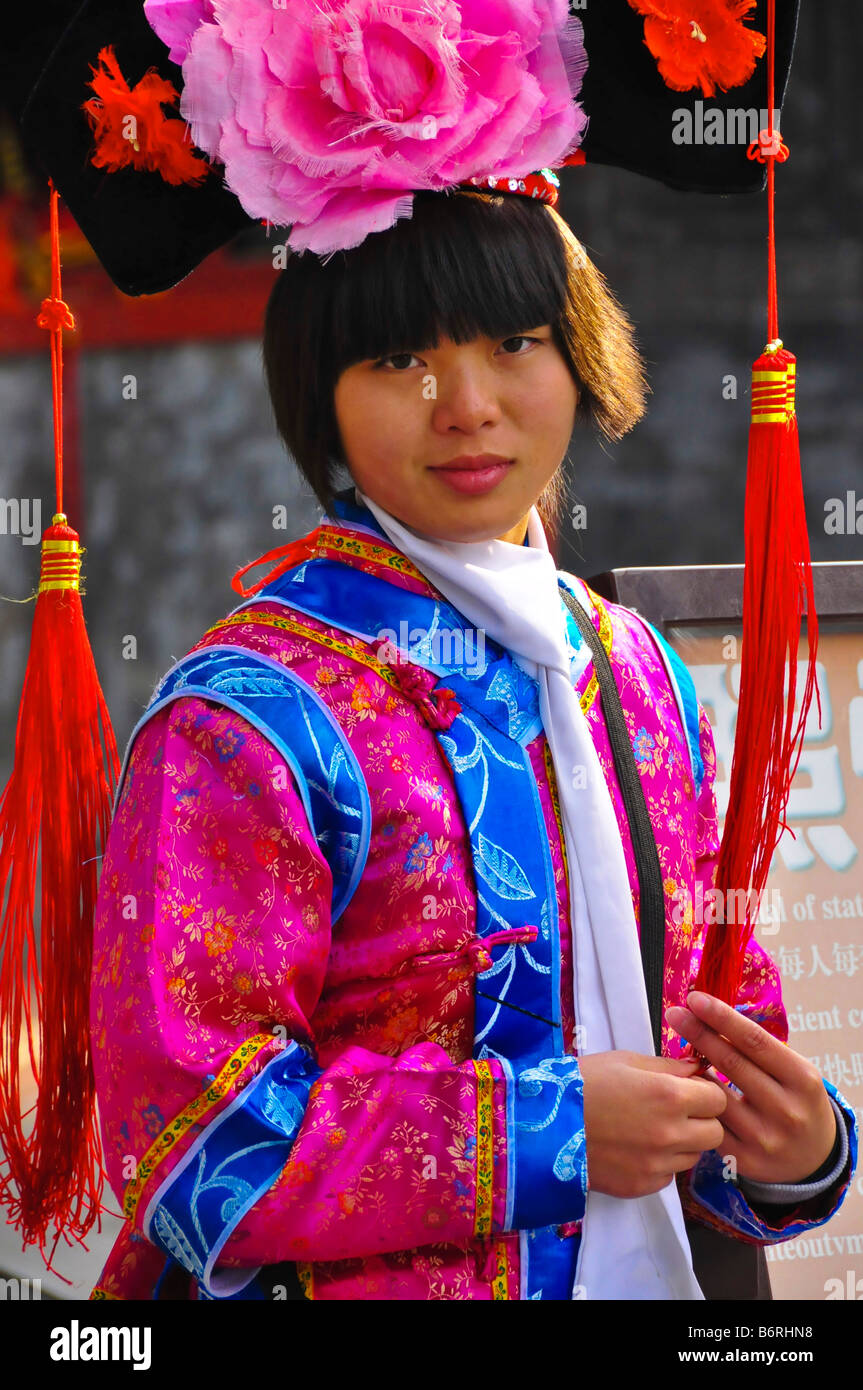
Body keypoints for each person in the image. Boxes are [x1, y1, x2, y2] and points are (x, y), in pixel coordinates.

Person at [86, 186, 855, 1301]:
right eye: (400, 359)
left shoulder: (640, 674)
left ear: (578, 351)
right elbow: (194, 1143)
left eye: (513, 342)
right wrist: (551, 1130)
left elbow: (715, 1021)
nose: (467, 405)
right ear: (321, 397)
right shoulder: (248, 717)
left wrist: (792, 1154)